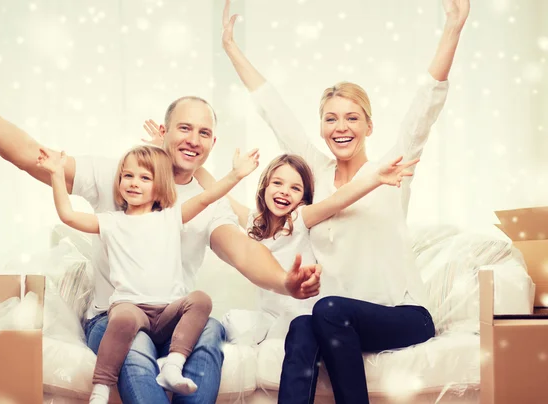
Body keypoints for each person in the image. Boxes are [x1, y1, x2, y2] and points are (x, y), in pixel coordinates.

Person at [0, 48, 321, 404]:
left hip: (172, 316)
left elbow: (243, 251)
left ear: (212, 142)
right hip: (117, 315)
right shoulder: (123, 175)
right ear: (164, 130)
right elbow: (31, 156)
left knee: (210, 331)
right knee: (135, 350)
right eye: (185, 128)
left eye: (203, 134)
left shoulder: (206, 205)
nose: (193, 140)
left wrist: (286, 282)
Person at [220, 0, 470, 402]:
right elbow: (274, 111)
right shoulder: (313, 178)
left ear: (369, 125)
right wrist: (231, 48)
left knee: (326, 310)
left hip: (402, 316)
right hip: (334, 318)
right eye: (331, 118)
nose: (341, 127)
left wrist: (453, 29)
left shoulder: (392, 169)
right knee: (303, 325)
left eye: (352, 118)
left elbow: (426, 107)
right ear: (320, 127)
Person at [144, 123, 418, 341]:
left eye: (295, 188)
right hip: (269, 316)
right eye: (277, 183)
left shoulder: (300, 219)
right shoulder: (252, 223)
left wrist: (374, 179)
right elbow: (216, 192)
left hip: (302, 315)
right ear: (263, 187)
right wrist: (168, 150)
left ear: (303, 197)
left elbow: (338, 199)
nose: (284, 192)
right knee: (228, 326)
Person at [37, 144, 259, 402]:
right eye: (127, 176)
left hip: (167, 312)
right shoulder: (110, 221)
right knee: (122, 320)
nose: (133, 183)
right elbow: (68, 216)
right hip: (131, 308)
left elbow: (207, 197)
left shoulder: (171, 216)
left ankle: (173, 365)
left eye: (145, 178)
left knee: (201, 300)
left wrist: (237, 174)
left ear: (161, 185)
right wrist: (56, 173)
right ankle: (101, 388)